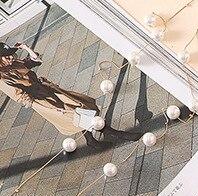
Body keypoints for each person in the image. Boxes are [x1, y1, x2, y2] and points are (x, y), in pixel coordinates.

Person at [0, 41, 138, 145]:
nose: (11, 57)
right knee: (74, 114)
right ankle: (115, 133)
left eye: (11, 54)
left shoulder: (14, 64)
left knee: (78, 106)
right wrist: (45, 107)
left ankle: (90, 140)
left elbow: (34, 61)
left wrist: (25, 48)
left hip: (48, 89)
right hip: (41, 100)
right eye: (6, 57)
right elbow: (20, 97)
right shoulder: (2, 78)